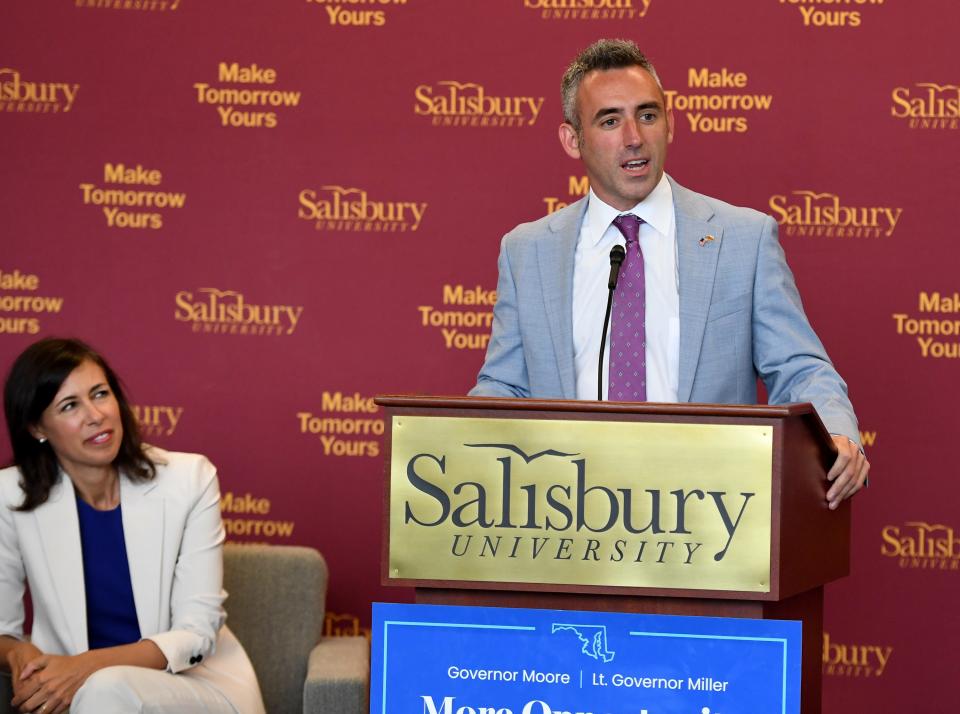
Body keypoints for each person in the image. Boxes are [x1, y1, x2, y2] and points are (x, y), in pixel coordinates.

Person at [469, 38, 869, 509]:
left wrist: (838, 434)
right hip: (566, 515)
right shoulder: (528, 251)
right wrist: (461, 445)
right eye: (610, 120)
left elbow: (800, 368)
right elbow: (505, 386)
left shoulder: (743, 239)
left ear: (671, 123)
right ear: (572, 140)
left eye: (648, 114)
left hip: (708, 516)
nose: (634, 137)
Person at [0, 338, 265, 714]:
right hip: (79, 694)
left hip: (196, 687)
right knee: (99, 691)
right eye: (70, 405)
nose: (96, 415)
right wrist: (19, 653)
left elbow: (197, 634)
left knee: (103, 688)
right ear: (36, 427)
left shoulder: (190, 479)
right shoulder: (9, 495)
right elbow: (1, 629)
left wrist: (83, 668)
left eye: (100, 394)